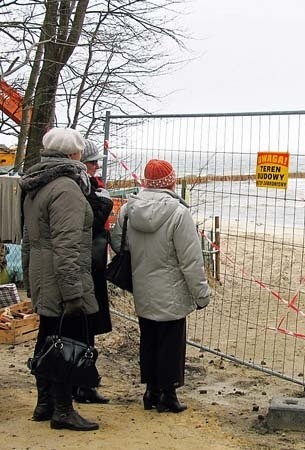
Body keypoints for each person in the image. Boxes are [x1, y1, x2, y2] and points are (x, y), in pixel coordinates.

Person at [111, 159, 210, 413]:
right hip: (171, 290)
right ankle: (168, 393)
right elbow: (191, 260)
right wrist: (202, 294)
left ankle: (151, 391)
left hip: (142, 285)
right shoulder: (179, 213)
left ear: (146, 181)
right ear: (171, 182)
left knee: (150, 338)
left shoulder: (129, 209)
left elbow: (117, 242)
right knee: (171, 341)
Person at [20, 127, 99, 431]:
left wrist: (30, 279)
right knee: (67, 342)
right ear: (72, 154)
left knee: (48, 335)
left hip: (42, 274)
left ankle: (45, 402)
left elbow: (28, 238)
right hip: (62, 277)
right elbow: (67, 245)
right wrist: (73, 292)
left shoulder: (38, 182)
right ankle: (63, 409)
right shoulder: (66, 187)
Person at [71, 139, 113, 404]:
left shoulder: (88, 185)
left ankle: (83, 382)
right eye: (93, 162)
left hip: (91, 264)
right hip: (85, 265)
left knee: (87, 326)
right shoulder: (80, 188)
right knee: (83, 325)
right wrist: (104, 204)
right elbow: (89, 224)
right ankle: (82, 384)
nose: (97, 166)